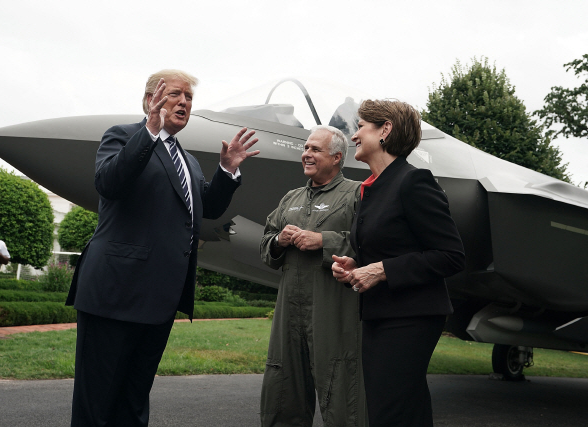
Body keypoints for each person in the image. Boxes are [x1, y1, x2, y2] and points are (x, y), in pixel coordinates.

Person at [65, 69, 260, 427]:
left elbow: (207, 209)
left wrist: (227, 171)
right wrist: (150, 132)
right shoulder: (123, 137)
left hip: (158, 299)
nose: (184, 102)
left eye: (189, 97)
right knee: (98, 400)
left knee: (134, 400)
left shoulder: (188, 160)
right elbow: (110, 182)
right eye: (175, 94)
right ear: (151, 99)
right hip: (115, 292)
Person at [332, 99, 465, 426]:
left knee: (390, 412)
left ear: (385, 130)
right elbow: (387, 249)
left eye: (361, 126)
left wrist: (382, 270)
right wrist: (354, 265)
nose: (354, 136)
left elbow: (451, 255)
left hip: (411, 317)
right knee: (405, 411)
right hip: (380, 315)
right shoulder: (370, 190)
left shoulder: (414, 181)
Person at [260, 126, 367, 427]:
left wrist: (324, 241)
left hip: (334, 311)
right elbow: (265, 246)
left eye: (314, 149)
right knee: (283, 390)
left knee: (343, 392)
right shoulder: (290, 198)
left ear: (336, 158)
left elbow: (373, 245)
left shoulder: (357, 194)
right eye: (305, 148)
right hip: (289, 315)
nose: (306, 154)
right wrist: (279, 240)